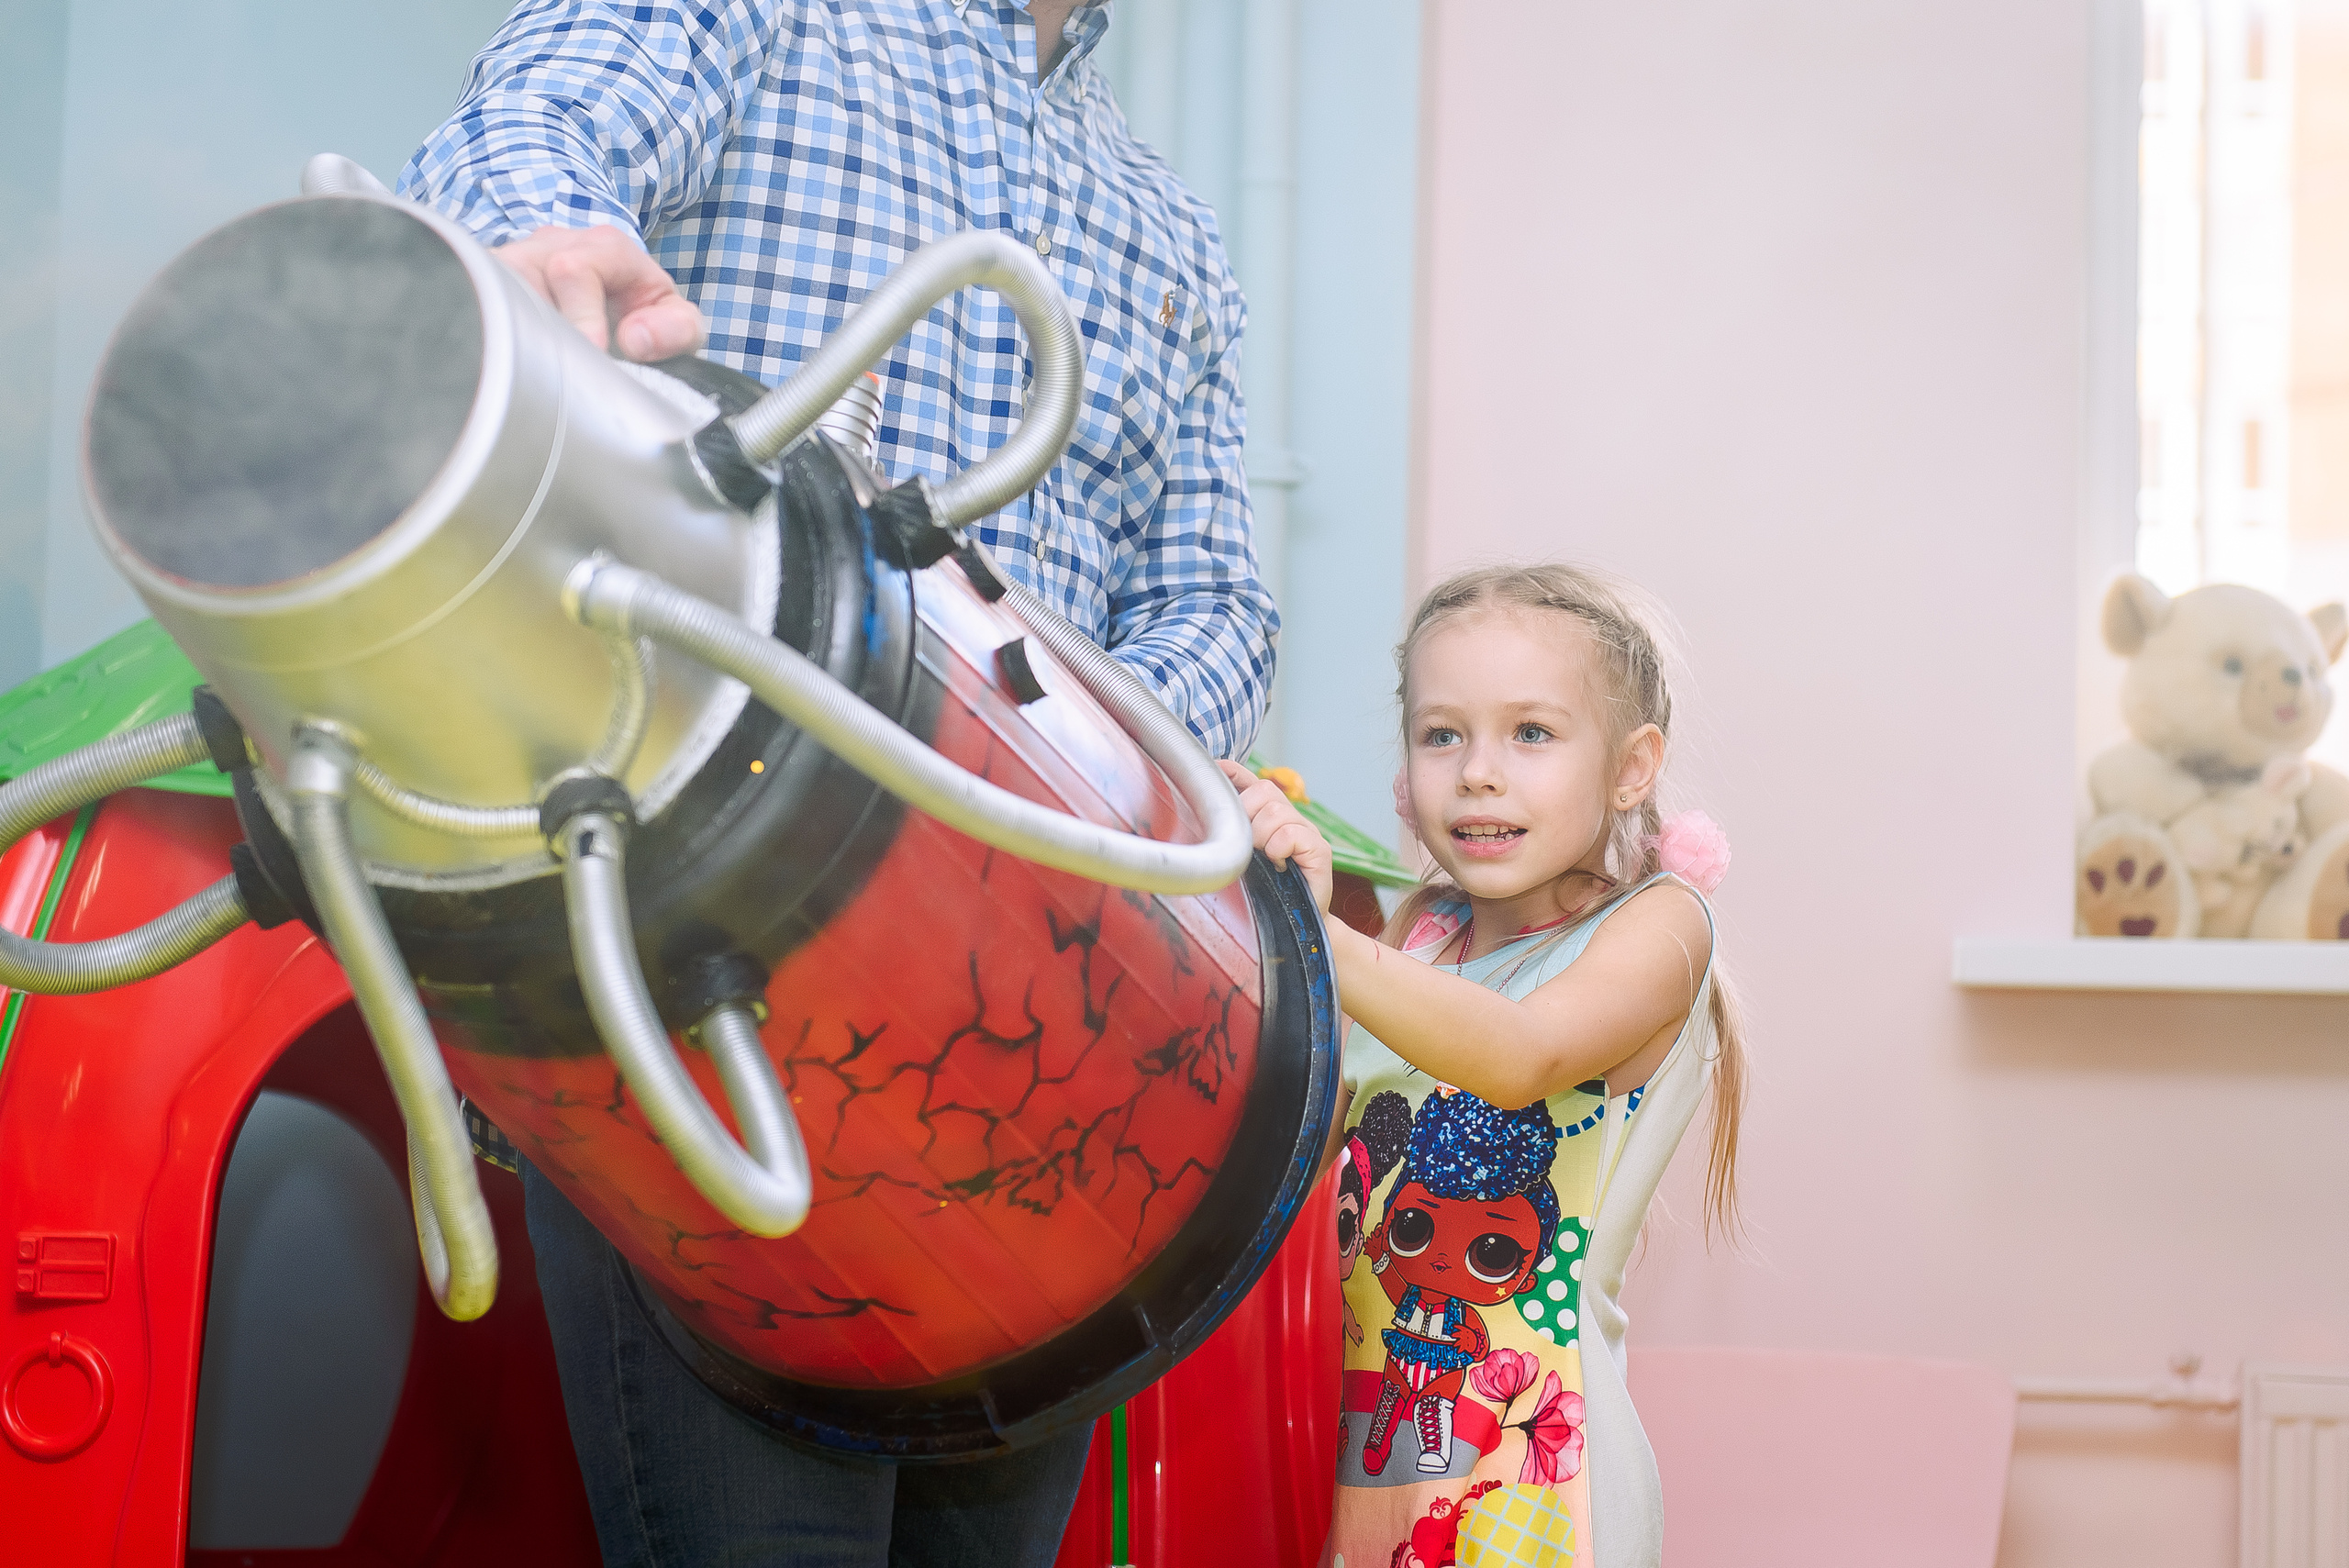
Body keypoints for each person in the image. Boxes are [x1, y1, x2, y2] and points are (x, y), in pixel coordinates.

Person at [395, 6, 1276, 1565]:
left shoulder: (1167, 225)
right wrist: (538, 239)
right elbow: (539, 131)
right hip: (704, 958)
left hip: (1032, 1043)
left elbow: (1214, 603)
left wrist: (1067, 769)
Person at [1222, 563, 1748, 1568]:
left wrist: (1321, 935)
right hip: (1370, 1459)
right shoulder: (1420, 935)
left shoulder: (1660, 926)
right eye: (1442, 733)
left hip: (1539, 1478)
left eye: (1532, 733)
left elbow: (1516, 1055)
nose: (1477, 771)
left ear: (1633, 767)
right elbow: (1309, 1155)